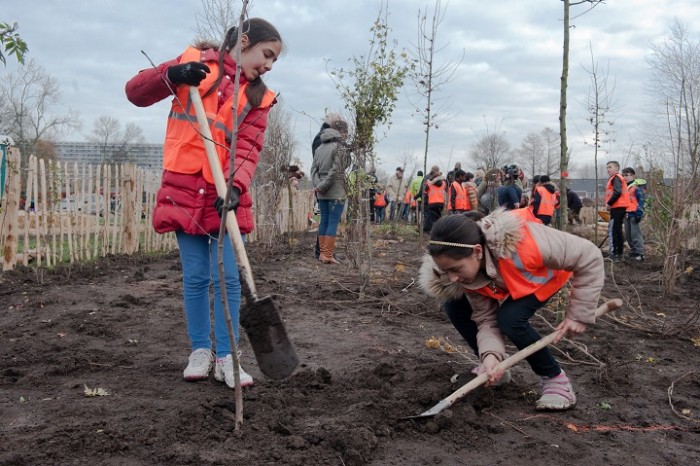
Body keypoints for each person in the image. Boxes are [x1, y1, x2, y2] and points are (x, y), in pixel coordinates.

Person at [125, 18, 283, 389]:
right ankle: (201, 350)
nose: (270, 65)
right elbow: (135, 92)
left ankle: (228, 357)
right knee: (195, 276)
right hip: (182, 191)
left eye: (275, 59)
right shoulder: (194, 65)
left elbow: (248, 148)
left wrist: (237, 186)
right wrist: (172, 72)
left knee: (227, 277)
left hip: (222, 197)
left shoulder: (258, 97)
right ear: (244, 42)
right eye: (267, 54)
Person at [419, 209, 604, 410]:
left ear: (477, 252)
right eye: (446, 271)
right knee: (454, 304)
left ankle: (555, 380)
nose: (452, 277)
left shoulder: (526, 243)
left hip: (542, 278)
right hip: (505, 280)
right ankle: (494, 369)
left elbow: (589, 255)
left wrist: (578, 315)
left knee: (510, 319)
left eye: (455, 269)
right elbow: (486, 320)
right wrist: (490, 356)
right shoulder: (467, 274)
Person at [311, 116, 350, 264]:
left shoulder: (320, 147)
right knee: (333, 221)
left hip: (321, 192)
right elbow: (336, 171)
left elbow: (313, 170)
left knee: (324, 221)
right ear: (342, 132)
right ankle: (327, 255)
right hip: (335, 190)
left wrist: (318, 185)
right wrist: (324, 185)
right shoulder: (340, 147)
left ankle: (322, 254)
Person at [605, 161, 629, 262]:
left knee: (614, 231)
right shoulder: (617, 178)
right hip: (620, 207)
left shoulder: (616, 178)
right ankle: (619, 254)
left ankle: (614, 254)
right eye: (607, 167)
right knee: (617, 230)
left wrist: (609, 203)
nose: (608, 169)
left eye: (610, 167)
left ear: (616, 168)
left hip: (617, 207)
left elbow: (617, 192)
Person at [622, 167, 646, 261]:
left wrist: (639, 213)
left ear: (632, 175)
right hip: (627, 214)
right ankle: (633, 252)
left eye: (627, 175)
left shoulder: (637, 186)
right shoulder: (626, 187)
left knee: (636, 235)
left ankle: (640, 254)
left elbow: (642, 200)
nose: (625, 177)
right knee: (629, 236)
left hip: (635, 213)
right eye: (623, 175)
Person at [423, 165, 446, 233]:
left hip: (431, 203)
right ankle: (438, 231)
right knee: (438, 218)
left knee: (431, 218)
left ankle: (431, 231)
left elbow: (425, 191)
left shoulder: (429, 183)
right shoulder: (444, 183)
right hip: (441, 203)